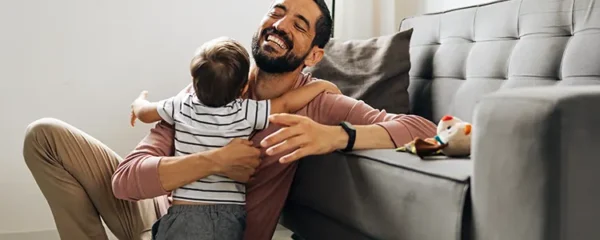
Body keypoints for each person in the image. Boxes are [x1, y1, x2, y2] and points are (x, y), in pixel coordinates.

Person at [22, 0, 437, 239]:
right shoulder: (219, 79)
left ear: (313, 55)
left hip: (219, 232)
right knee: (44, 137)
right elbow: (127, 179)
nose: (279, 24)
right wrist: (214, 162)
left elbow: (422, 129)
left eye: (298, 24)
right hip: (159, 212)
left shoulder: (318, 103)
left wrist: (333, 136)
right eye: (277, 11)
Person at [129, 36, 339, 240]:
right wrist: (319, 87)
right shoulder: (245, 111)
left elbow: (145, 113)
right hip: (229, 216)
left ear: (194, 80)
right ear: (244, 88)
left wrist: (138, 102)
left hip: (186, 211)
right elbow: (285, 103)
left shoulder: (180, 105)